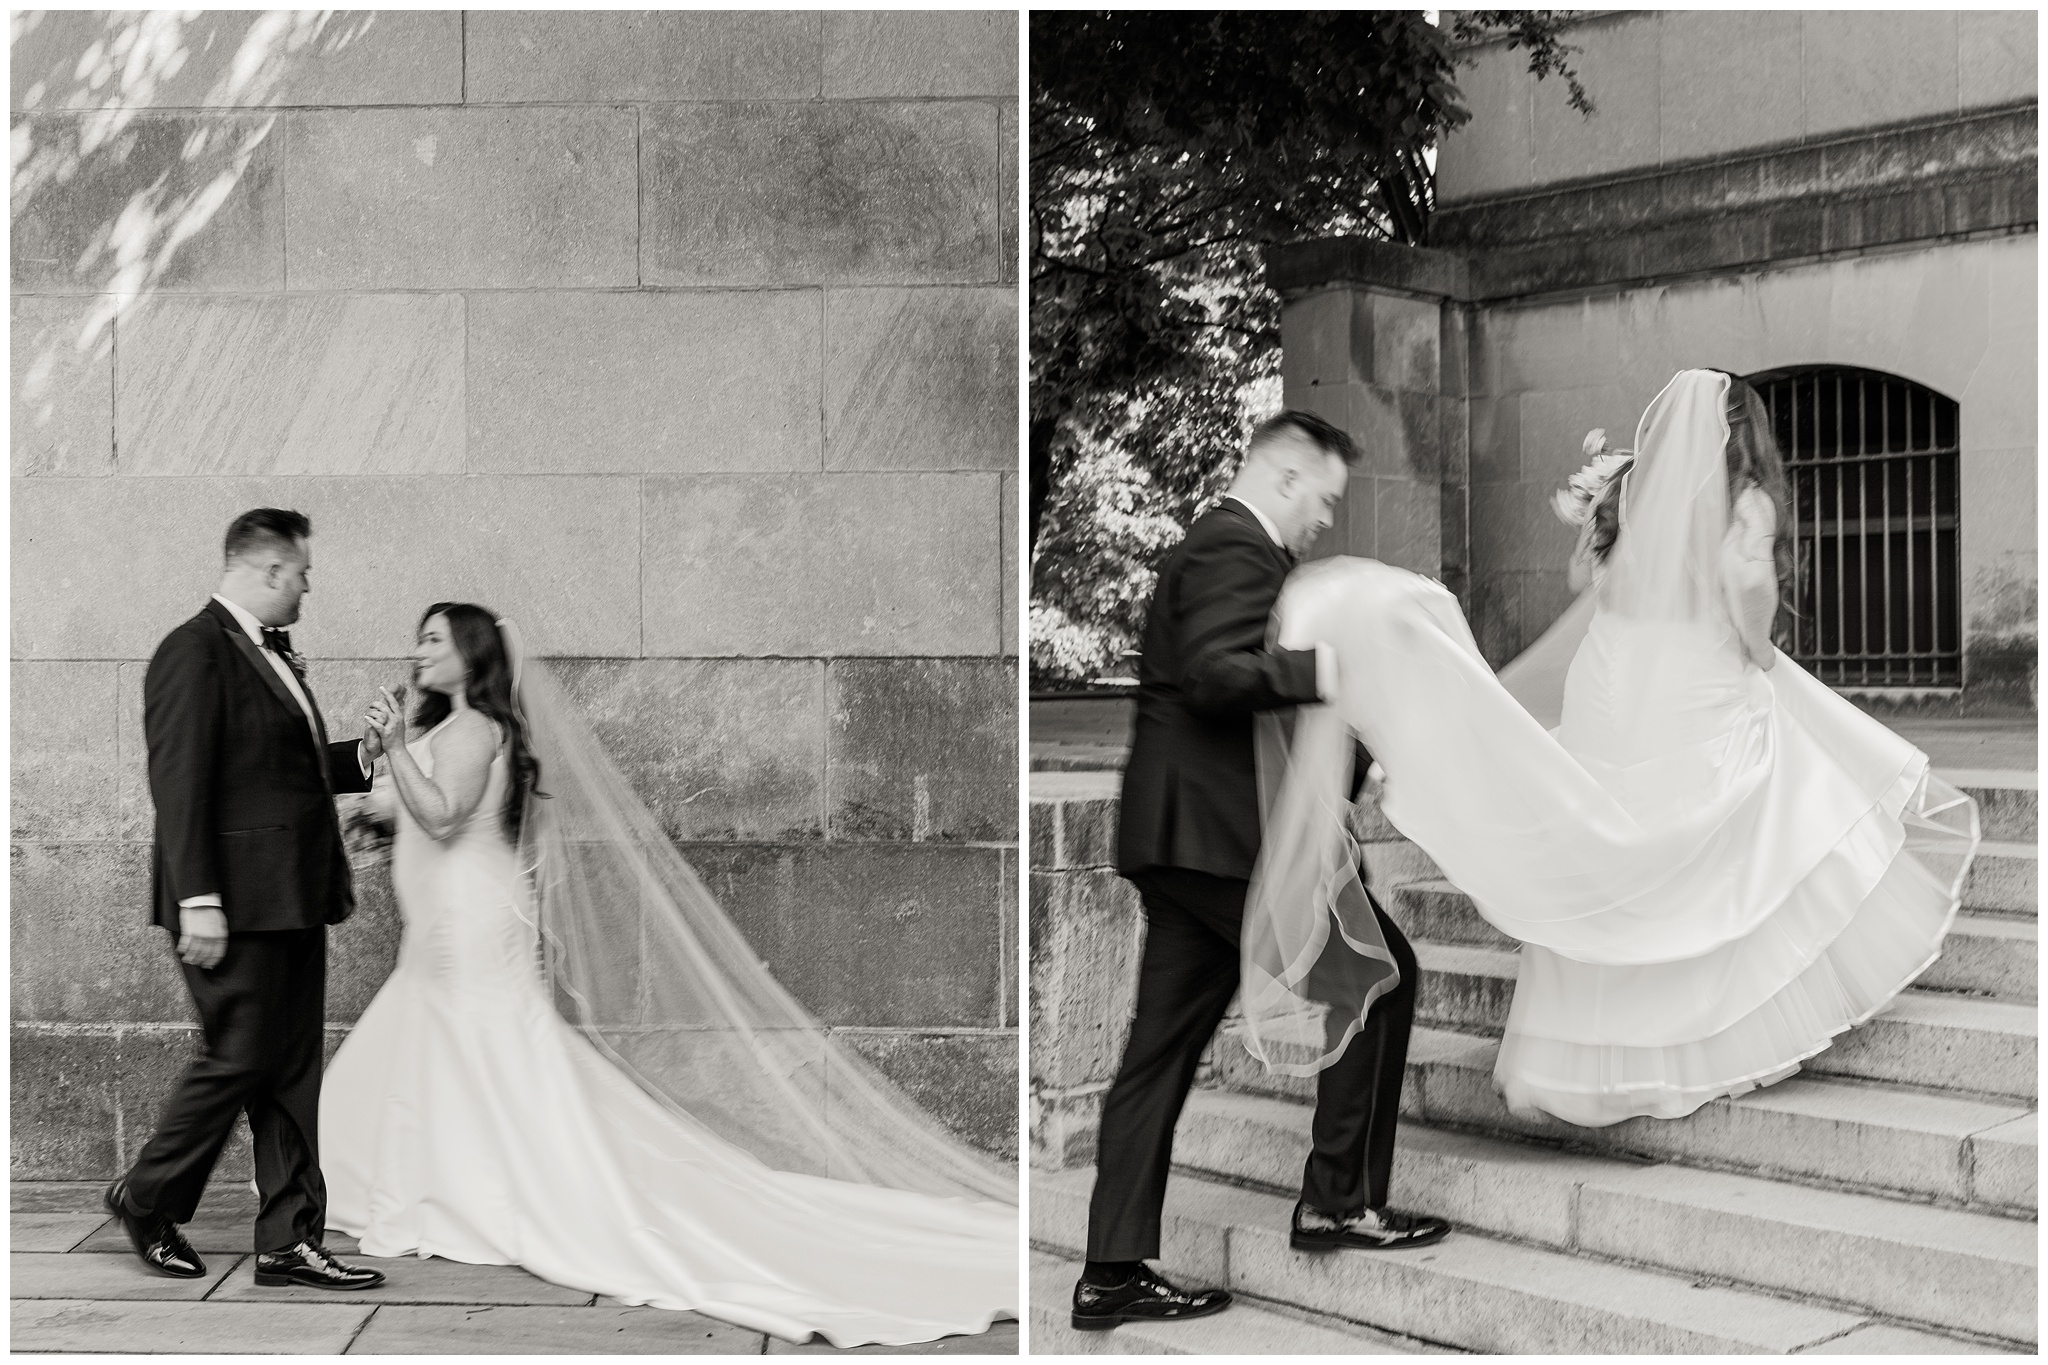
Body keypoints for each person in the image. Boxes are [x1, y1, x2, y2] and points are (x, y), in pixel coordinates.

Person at [1245, 370, 1978, 1127]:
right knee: (1759, 783)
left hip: (1613, 680)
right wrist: (1759, 650)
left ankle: (1577, 1062)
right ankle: (1705, 1034)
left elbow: (1585, 579)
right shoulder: (1745, 503)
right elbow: (1750, 588)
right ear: (1747, 435)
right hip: (1693, 672)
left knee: (1611, 843)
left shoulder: (1633, 497)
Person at [318, 604, 1016, 1349]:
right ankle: (445, 1178)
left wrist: (396, 748)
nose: (419, 649)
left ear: (471, 656)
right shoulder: (455, 727)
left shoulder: (473, 728)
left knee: (475, 1045)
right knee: (451, 1047)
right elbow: (403, 811)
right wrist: (381, 765)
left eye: (435, 639)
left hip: (465, 920)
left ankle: (477, 1185)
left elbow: (448, 816)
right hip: (445, 921)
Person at [1075, 411, 1451, 1335]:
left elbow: (1254, 704)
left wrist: (1357, 754)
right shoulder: (1234, 545)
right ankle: (1336, 1201)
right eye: (1323, 499)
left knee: (1155, 1055)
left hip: (1184, 842)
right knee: (1382, 976)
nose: (1325, 520)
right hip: (1220, 843)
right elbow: (1215, 674)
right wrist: (1331, 663)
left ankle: (1111, 1271)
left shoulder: (1226, 546)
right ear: (1284, 477)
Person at [106, 508, 388, 1291]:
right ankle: (146, 1195)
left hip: (292, 896)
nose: (306, 586)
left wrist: (355, 758)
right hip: (230, 901)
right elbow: (181, 780)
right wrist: (197, 896)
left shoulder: (269, 654)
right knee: (240, 1054)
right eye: (301, 573)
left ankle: (290, 1240)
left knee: (292, 1068)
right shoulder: (191, 650)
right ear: (266, 569)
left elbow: (271, 767)